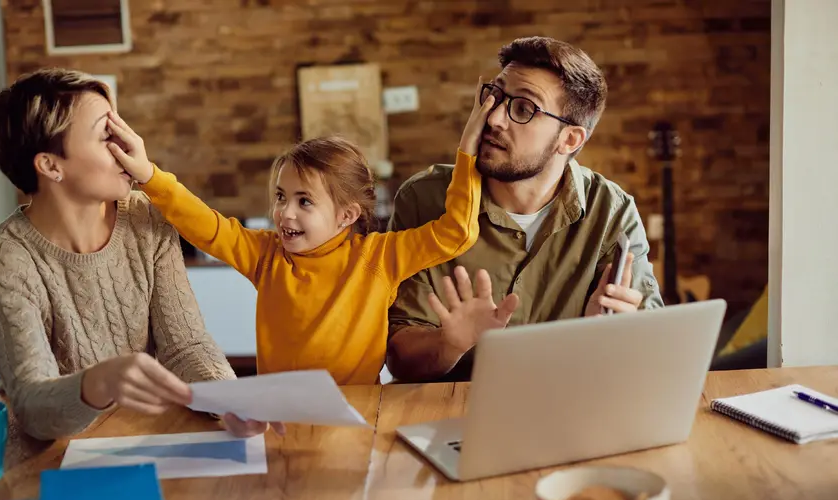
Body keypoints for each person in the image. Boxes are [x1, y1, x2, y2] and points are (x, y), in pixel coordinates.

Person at [106, 78, 496, 387]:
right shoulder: (265, 254)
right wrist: (149, 176)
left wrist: (467, 152)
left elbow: (456, 232)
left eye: (304, 201)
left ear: (346, 215)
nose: (284, 213)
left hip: (358, 414)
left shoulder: (379, 257)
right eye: (280, 196)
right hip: (281, 418)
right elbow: (207, 226)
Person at [0, 68, 261, 440]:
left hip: (146, 436)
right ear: (50, 165)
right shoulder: (1, 261)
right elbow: (31, 405)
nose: (130, 147)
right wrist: (97, 383)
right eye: (107, 134)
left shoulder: (146, 216)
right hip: (56, 456)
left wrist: (227, 397)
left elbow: (185, 346)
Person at [387, 36, 664, 383]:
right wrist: (449, 344)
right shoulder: (423, 200)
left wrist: (613, 335)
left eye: (523, 108)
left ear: (570, 139)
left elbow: (653, 350)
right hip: (448, 416)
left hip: (566, 412)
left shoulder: (611, 212)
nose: (495, 118)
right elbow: (398, 355)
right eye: (496, 96)